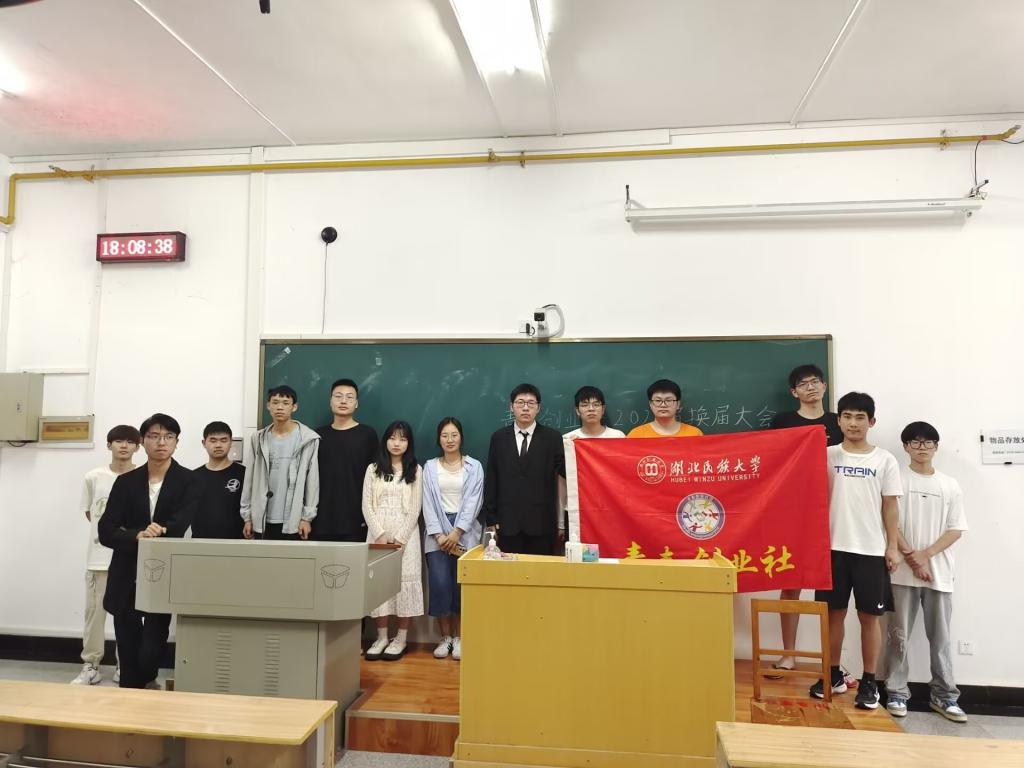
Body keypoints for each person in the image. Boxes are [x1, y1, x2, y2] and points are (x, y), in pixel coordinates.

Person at [811, 392, 901, 710]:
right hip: (832, 549)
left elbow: (890, 506)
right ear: (838, 421)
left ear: (871, 422)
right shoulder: (825, 455)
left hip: (870, 550)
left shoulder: (885, 460)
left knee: (869, 618)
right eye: (847, 416)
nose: (853, 423)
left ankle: (869, 682)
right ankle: (832, 674)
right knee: (832, 616)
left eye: (860, 417)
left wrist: (892, 547)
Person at [98, 413, 200, 689]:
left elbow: (180, 523)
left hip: (163, 572)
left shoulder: (189, 480)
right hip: (126, 571)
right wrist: (137, 535)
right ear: (142, 442)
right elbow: (106, 529)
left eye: (168, 437)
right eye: (154, 436)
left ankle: (147, 683)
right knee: (127, 644)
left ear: (177, 442)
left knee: (152, 646)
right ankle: (131, 696)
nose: (161, 442)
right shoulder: (126, 481)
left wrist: (160, 530)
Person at [883, 421, 968, 722]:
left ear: (936, 447)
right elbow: (890, 522)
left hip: (939, 574)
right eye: (915, 442)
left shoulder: (949, 484)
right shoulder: (896, 479)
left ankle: (944, 696)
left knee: (941, 639)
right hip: (901, 573)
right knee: (898, 636)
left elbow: (956, 529)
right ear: (905, 447)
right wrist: (912, 557)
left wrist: (925, 556)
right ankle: (896, 692)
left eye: (928, 442)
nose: (922, 447)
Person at [768, 364, 843, 675]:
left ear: (824, 386)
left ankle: (834, 662)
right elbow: (770, 462)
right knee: (791, 584)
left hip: (837, 510)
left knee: (835, 592)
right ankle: (789, 654)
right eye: (803, 383)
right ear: (793, 392)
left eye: (815, 381)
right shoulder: (783, 422)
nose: (810, 387)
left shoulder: (840, 422)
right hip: (795, 512)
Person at [71, 424, 140, 686]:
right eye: (118, 441)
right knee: (94, 614)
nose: (124, 446)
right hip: (98, 558)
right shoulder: (93, 477)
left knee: (129, 615)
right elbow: (92, 515)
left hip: (130, 558)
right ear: (109, 445)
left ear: (137, 446)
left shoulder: (143, 477)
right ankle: (91, 665)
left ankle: (125, 664)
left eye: (129, 441)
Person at [421, 417, 483, 660]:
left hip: (465, 533)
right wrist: (439, 534)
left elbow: (474, 501)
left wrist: (457, 532)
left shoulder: (474, 467)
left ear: (461, 437)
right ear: (439, 439)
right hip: (436, 533)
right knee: (440, 585)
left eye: (454, 435)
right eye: (445, 435)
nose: (449, 440)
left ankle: (460, 638)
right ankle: (445, 638)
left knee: (461, 587)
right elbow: (427, 502)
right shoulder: (429, 467)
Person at [363, 421, 424, 661]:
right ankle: (381, 637)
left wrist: (400, 538)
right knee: (379, 586)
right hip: (377, 535)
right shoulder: (373, 469)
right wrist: (380, 533)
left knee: (404, 584)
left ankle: (401, 639)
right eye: (392, 438)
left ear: (409, 443)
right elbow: (366, 505)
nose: (397, 443)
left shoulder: (415, 470)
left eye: (402, 439)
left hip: (406, 539)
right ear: (385, 440)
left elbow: (415, 508)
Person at [483, 383, 566, 556]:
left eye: (531, 403)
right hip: (507, 523)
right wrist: (491, 517)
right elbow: (492, 477)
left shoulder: (552, 438)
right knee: (509, 571)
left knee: (540, 571)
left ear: (538, 408)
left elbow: (566, 472)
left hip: (541, 524)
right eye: (520, 402)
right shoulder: (498, 438)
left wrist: (578, 451)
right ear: (511, 407)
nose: (526, 407)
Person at [240, 385, 320, 540]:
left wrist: (307, 518)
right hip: (261, 518)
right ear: (268, 406)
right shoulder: (258, 438)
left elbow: (312, 481)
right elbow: (249, 478)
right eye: (275, 402)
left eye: (285, 403)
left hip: (293, 519)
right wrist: (247, 517)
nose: (280, 407)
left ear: (294, 407)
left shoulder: (308, 439)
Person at [313, 378, 378, 542]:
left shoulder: (367, 434)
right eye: (338, 396)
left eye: (349, 397)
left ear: (356, 403)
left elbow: (376, 479)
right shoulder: (317, 436)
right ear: (330, 401)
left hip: (357, 518)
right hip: (322, 519)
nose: (343, 401)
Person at [559, 386, 625, 538]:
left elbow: (624, 480)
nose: (591, 409)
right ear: (577, 410)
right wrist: (560, 522)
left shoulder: (618, 437)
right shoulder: (567, 440)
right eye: (585, 405)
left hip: (612, 510)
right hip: (577, 513)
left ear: (603, 409)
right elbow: (562, 484)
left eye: (596, 404)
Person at [191, 421, 245, 539]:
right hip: (201, 543)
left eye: (224, 440)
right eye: (213, 440)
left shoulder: (244, 474)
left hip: (237, 542)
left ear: (231, 442)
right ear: (204, 443)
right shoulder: (193, 477)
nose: (218, 445)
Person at [626, 379, 703, 438]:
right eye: (658, 400)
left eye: (668, 400)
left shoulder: (695, 434)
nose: (663, 405)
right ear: (650, 404)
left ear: (678, 404)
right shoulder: (636, 435)